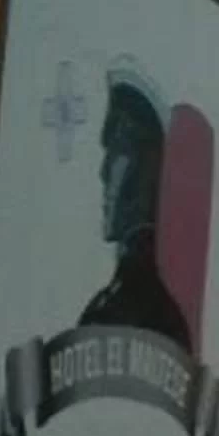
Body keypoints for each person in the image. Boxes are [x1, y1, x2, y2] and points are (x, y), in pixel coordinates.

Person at [81, 73, 191, 350]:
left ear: (148, 167)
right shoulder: (117, 303)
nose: (102, 172)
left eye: (118, 151)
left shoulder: (147, 311)